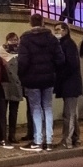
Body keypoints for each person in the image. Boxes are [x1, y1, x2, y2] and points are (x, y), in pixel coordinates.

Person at [17, 14, 64, 151]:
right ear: (43, 22)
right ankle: (49, 141)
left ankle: (38, 141)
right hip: (48, 78)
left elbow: (23, 62)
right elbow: (60, 59)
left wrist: (22, 76)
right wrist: (53, 70)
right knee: (48, 108)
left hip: (32, 79)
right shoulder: (52, 39)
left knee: (36, 109)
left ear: (30, 23)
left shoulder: (26, 39)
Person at [55, 24, 83, 148]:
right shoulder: (64, 44)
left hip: (70, 83)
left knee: (69, 114)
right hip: (69, 83)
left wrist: (60, 74)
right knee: (72, 113)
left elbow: (72, 65)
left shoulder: (68, 44)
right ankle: (76, 138)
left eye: (58, 30)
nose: (56, 32)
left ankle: (67, 140)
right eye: (55, 30)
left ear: (65, 30)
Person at [0, 31, 24, 148]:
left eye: (15, 40)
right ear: (6, 40)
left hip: (16, 84)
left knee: (14, 112)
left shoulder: (21, 52)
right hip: (5, 85)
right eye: (11, 40)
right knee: (2, 112)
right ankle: (2, 136)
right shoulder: (1, 51)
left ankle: (12, 135)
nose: (14, 42)